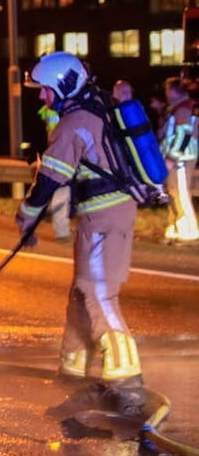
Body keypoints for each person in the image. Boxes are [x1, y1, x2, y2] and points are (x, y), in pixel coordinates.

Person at [16, 52, 150, 419]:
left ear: (61, 86)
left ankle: (128, 384)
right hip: (103, 216)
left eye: (44, 90)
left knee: (98, 294)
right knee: (82, 293)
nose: (42, 98)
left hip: (105, 218)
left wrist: (26, 217)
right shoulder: (95, 112)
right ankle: (73, 374)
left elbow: (49, 181)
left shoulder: (75, 123)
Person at [161, 75, 199, 242]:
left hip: (181, 160)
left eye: (168, 90)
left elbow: (183, 135)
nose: (166, 93)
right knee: (175, 193)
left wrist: (171, 158)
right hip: (180, 159)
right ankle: (177, 229)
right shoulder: (179, 108)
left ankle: (188, 231)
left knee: (181, 193)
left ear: (174, 91)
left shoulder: (182, 109)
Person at [34, 102, 71, 241]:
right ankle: (62, 232)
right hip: (58, 157)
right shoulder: (66, 110)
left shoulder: (45, 111)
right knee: (60, 193)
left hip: (49, 156)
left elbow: (38, 133)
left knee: (46, 193)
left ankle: (29, 222)